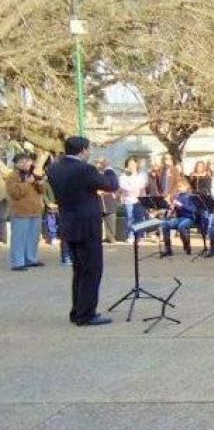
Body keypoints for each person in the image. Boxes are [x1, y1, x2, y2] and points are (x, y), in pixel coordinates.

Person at [47, 136, 119, 326]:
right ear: (83, 150)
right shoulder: (84, 169)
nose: (89, 153)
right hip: (87, 225)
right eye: (88, 150)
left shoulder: (54, 167)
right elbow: (110, 185)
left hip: (68, 223)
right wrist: (109, 169)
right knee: (92, 270)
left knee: (79, 270)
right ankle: (86, 314)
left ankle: (77, 311)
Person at [6, 152, 45, 271]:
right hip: (20, 212)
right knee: (19, 237)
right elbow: (15, 193)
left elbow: (42, 191)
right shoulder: (12, 176)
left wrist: (39, 182)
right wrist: (27, 183)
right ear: (16, 164)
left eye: (27, 161)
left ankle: (31, 259)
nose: (24, 164)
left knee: (33, 237)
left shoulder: (34, 174)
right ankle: (18, 262)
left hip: (35, 211)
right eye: (21, 162)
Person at [160, 179, 196, 256]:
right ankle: (168, 249)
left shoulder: (191, 197)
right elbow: (175, 209)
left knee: (181, 227)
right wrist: (171, 208)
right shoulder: (178, 196)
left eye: (181, 186)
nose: (179, 188)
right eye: (178, 186)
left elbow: (193, 210)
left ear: (186, 187)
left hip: (189, 218)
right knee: (165, 225)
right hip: (180, 218)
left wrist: (181, 205)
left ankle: (187, 246)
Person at [119, 157, 148, 243]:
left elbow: (143, 185)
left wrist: (134, 188)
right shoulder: (123, 175)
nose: (131, 166)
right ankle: (130, 236)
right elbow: (123, 185)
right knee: (130, 217)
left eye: (133, 163)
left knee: (139, 217)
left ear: (136, 164)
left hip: (140, 199)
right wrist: (132, 187)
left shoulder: (142, 174)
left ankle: (140, 236)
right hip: (129, 199)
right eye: (129, 164)